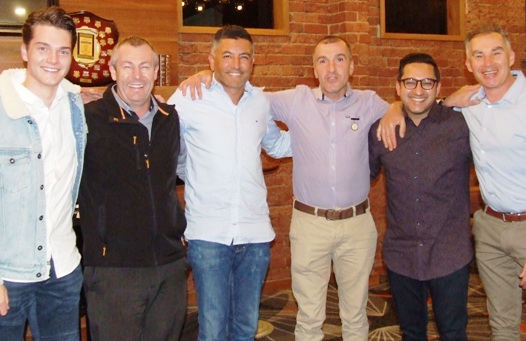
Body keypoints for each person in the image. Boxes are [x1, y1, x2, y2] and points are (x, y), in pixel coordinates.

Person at [182, 35, 390, 340]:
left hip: (358, 225)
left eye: (339, 59)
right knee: (308, 317)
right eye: (323, 61)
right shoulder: (293, 100)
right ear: (314, 69)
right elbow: (242, 90)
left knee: (356, 314)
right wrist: (207, 75)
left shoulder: (370, 102)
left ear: (352, 66)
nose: (331, 68)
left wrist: (398, 109)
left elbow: (408, 111)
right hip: (310, 225)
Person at [378, 25, 526, 340]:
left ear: (512, 57)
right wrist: (395, 108)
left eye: (496, 52)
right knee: (503, 322)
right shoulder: (467, 107)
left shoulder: (491, 111)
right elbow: (428, 103)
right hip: (490, 227)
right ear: (468, 64)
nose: (488, 62)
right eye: (479, 55)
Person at [167, 25, 292, 341]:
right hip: (208, 233)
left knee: (246, 327)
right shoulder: (187, 97)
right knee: (212, 328)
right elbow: (166, 145)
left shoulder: (260, 102)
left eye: (244, 57)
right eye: (227, 56)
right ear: (211, 60)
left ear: (253, 62)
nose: (236, 64)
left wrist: (329, 133)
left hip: (254, 234)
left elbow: (277, 146)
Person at [78, 36, 188, 340]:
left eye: (144, 67)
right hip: (114, 269)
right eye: (127, 66)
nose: (136, 76)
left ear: (156, 72)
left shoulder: (171, 119)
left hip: (169, 266)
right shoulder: (88, 120)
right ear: (113, 71)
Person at [369, 53, 472, 340]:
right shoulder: (381, 132)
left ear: (439, 89)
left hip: (449, 253)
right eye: (410, 82)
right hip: (402, 255)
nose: (418, 89)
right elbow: (359, 177)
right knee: (411, 332)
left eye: (427, 82)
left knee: (453, 332)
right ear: (398, 87)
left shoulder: (461, 127)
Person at [0, 6, 85, 340]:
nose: (54, 59)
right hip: (8, 273)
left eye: (63, 50)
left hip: (63, 269)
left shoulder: (75, 104)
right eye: (43, 48)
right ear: (24, 51)